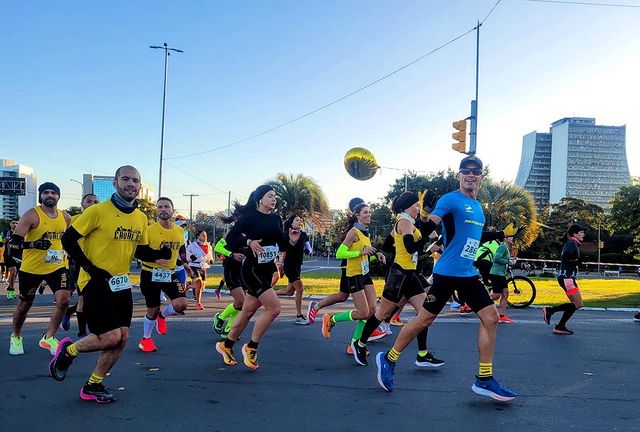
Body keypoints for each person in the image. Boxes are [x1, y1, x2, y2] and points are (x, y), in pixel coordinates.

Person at [375, 156, 519, 402]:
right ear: (458, 175)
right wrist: (424, 218)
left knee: (491, 318)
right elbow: (432, 224)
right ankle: (388, 360)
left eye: (476, 171)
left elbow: (475, 235)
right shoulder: (450, 199)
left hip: (468, 274)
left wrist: (500, 233)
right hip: (447, 274)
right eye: (466, 171)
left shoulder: (478, 207)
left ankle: (484, 379)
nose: (471, 175)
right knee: (424, 320)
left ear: (482, 177)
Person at [50, 165, 170, 404]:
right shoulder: (97, 211)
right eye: (125, 179)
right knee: (110, 336)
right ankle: (67, 352)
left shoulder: (140, 217)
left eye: (135, 180)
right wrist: (90, 267)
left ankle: (94, 384)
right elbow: (68, 239)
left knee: (123, 338)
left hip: (121, 283)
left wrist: (157, 253)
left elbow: (140, 249)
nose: (131, 184)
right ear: (115, 183)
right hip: (94, 282)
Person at [352, 192, 444, 369]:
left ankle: (423, 354)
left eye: (419, 206)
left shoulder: (408, 222)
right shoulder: (404, 222)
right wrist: (427, 241)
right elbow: (410, 248)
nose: (418, 209)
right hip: (400, 275)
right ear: (408, 206)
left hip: (410, 275)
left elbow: (393, 245)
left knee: (424, 314)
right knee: (382, 313)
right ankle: (360, 344)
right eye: (416, 206)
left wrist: (426, 234)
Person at [215, 185, 288, 369]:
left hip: (266, 269)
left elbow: (281, 242)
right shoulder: (249, 218)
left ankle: (227, 344)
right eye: (270, 196)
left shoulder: (276, 219)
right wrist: (248, 241)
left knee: (247, 311)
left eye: (275, 197)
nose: (274, 199)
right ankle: (251, 347)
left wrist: (292, 240)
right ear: (259, 199)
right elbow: (231, 240)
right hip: (252, 270)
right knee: (274, 307)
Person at [8, 182, 71, 356]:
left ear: (58, 196)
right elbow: (13, 244)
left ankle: (49, 337)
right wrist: (33, 244)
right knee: (24, 305)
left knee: (64, 300)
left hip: (57, 266)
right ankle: (16, 336)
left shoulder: (65, 217)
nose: (50, 195)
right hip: (32, 268)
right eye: (46, 193)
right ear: (40, 196)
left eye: (53, 193)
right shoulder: (31, 215)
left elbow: (68, 239)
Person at [322, 202, 386, 353]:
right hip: (354, 275)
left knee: (371, 310)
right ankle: (332, 320)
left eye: (370, 212)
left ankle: (353, 345)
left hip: (365, 274)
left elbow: (364, 252)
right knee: (363, 313)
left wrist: (376, 254)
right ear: (357, 215)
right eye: (365, 212)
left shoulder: (366, 232)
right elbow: (340, 253)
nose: (369, 215)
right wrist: (359, 253)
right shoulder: (354, 232)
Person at [138, 197, 188, 352]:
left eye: (166, 206)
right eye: (160, 207)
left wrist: (185, 263)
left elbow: (180, 248)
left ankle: (163, 315)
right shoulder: (149, 230)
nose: (163, 209)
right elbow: (138, 252)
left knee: (181, 304)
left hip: (169, 273)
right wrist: (155, 258)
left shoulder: (180, 231)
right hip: (150, 273)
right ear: (156, 210)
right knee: (151, 310)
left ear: (172, 209)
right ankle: (146, 339)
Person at [60, 193, 100, 337]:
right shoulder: (75, 220)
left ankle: (70, 311)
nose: (93, 203)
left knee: (93, 298)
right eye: (89, 201)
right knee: (83, 297)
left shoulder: (102, 219)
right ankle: (82, 332)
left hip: (98, 263)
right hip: (78, 263)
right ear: (82, 204)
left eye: (96, 201)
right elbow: (63, 239)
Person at [542, 224, 585, 335]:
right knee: (578, 304)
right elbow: (566, 257)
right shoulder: (572, 243)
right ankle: (551, 311)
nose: (583, 234)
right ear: (575, 234)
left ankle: (560, 326)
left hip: (567, 278)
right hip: (567, 279)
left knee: (576, 304)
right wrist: (577, 262)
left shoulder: (571, 243)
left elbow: (566, 258)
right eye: (581, 232)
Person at [276, 214, 312, 325]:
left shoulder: (304, 234)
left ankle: (268, 294)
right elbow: (281, 250)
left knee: (289, 292)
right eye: (297, 220)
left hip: (298, 265)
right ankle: (299, 316)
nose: (299, 222)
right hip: (289, 265)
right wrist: (292, 242)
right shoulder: (286, 234)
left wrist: (308, 250)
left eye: (300, 220)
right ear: (291, 222)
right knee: (300, 288)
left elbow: (308, 247)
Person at [212, 235, 246, 338]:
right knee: (241, 301)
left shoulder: (253, 233)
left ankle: (228, 330)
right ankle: (221, 317)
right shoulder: (233, 233)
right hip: (232, 271)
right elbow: (217, 247)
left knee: (241, 304)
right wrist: (231, 254)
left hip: (244, 272)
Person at [489, 235, 515, 323]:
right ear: (505, 238)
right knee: (496, 296)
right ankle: (479, 300)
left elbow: (503, 259)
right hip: (496, 274)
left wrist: (510, 261)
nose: (512, 239)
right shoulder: (502, 247)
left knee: (505, 293)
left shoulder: (506, 248)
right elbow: (496, 259)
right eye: (510, 237)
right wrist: (508, 261)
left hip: (501, 274)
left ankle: (502, 316)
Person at [186, 230, 214, 310]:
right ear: (198, 236)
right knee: (199, 284)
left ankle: (189, 285)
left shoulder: (208, 246)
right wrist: (191, 257)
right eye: (202, 235)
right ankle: (198, 303)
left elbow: (210, 255)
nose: (205, 237)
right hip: (194, 266)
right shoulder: (193, 245)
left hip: (203, 266)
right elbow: (187, 252)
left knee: (202, 287)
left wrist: (211, 259)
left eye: (205, 235)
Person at [3, 218, 20, 300]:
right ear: (10, 224)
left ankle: (11, 286)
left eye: (17, 223)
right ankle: (11, 291)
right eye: (13, 223)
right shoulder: (5, 233)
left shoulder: (22, 233)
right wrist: (3, 241)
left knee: (16, 275)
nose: (15, 225)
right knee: (13, 271)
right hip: (8, 256)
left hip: (20, 257)